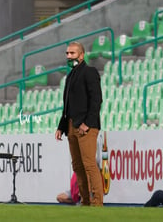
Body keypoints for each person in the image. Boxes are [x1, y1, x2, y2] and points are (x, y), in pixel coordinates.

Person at [55, 41, 104, 207]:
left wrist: (87, 123)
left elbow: (96, 100)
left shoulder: (89, 72)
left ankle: (97, 203)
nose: (69, 56)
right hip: (71, 126)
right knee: (77, 166)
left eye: (72, 53)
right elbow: (67, 104)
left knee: (89, 164)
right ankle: (85, 201)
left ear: (81, 55)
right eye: (67, 53)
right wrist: (61, 127)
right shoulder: (70, 76)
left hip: (85, 126)